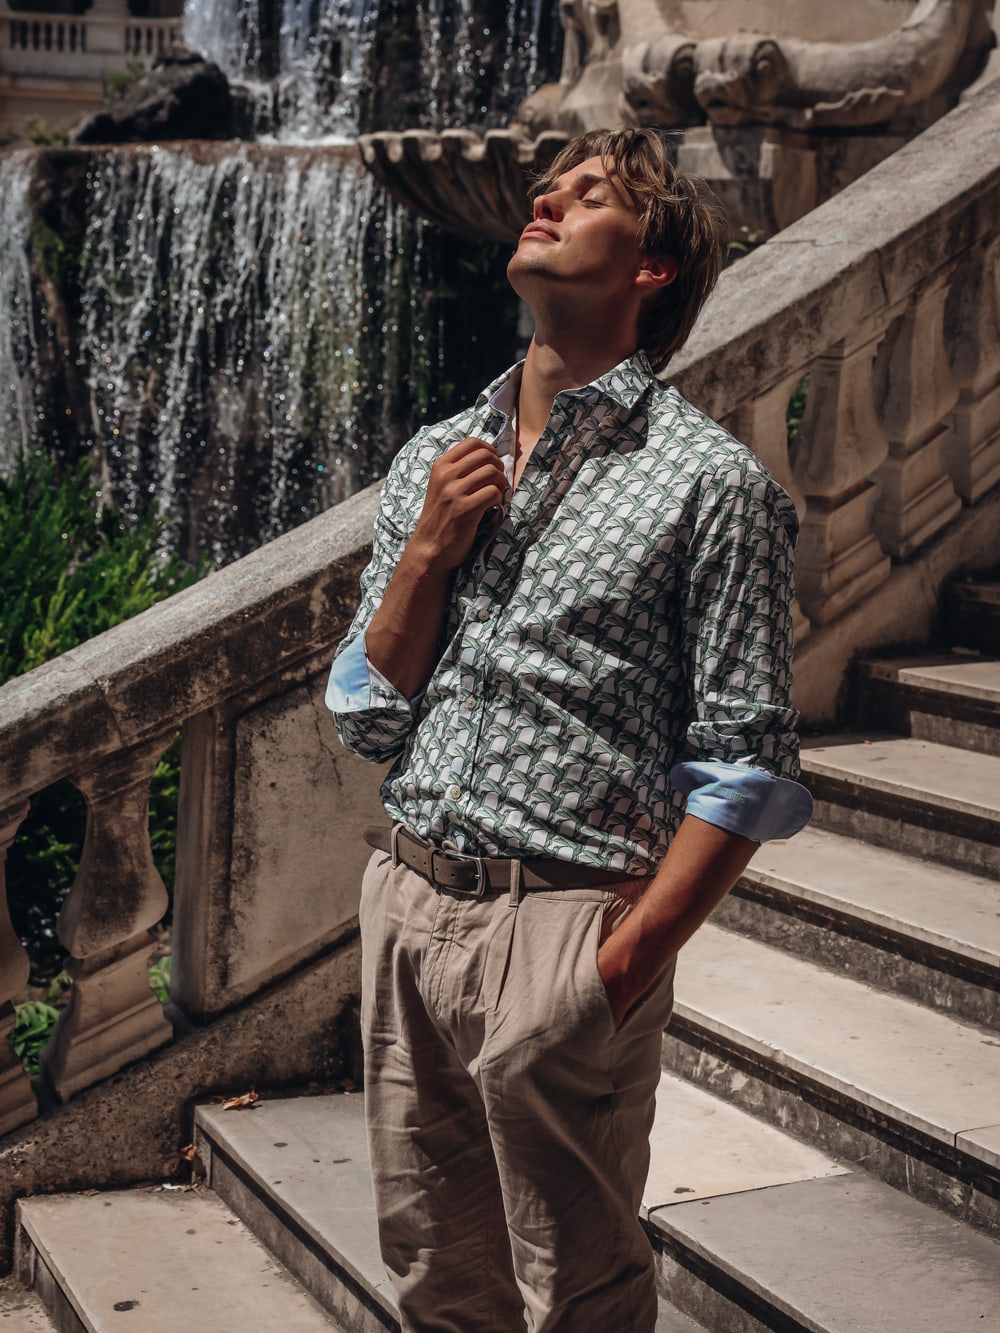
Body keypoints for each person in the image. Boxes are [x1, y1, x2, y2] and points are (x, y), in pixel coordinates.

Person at [326, 126, 813, 1333]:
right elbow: (366, 715)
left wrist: (617, 969)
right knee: (436, 1282)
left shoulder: (710, 485)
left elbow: (746, 766)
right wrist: (426, 554)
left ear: (650, 267)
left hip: (562, 929)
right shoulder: (436, 458)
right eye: (550, 186)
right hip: (408, 903)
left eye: (590, 195)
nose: (546, 197)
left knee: (578, 1295)